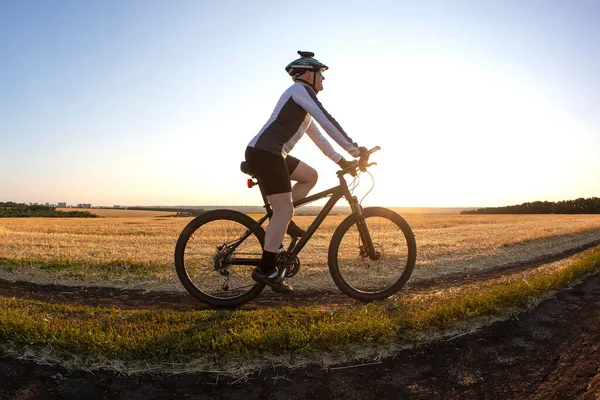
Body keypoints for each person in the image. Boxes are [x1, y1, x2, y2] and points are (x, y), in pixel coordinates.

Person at [244, 50, 366, 293]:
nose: (323, 79)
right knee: (285, 208)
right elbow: (326, 119)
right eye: (321, 74)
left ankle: (282, 221)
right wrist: (354, 149)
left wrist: (342, 161)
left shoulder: (301, 104)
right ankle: (265, 268)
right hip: (266, 154)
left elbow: (319, 137)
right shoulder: (300, 92)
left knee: (310, 176)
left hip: (272, 154)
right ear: (309, 74)